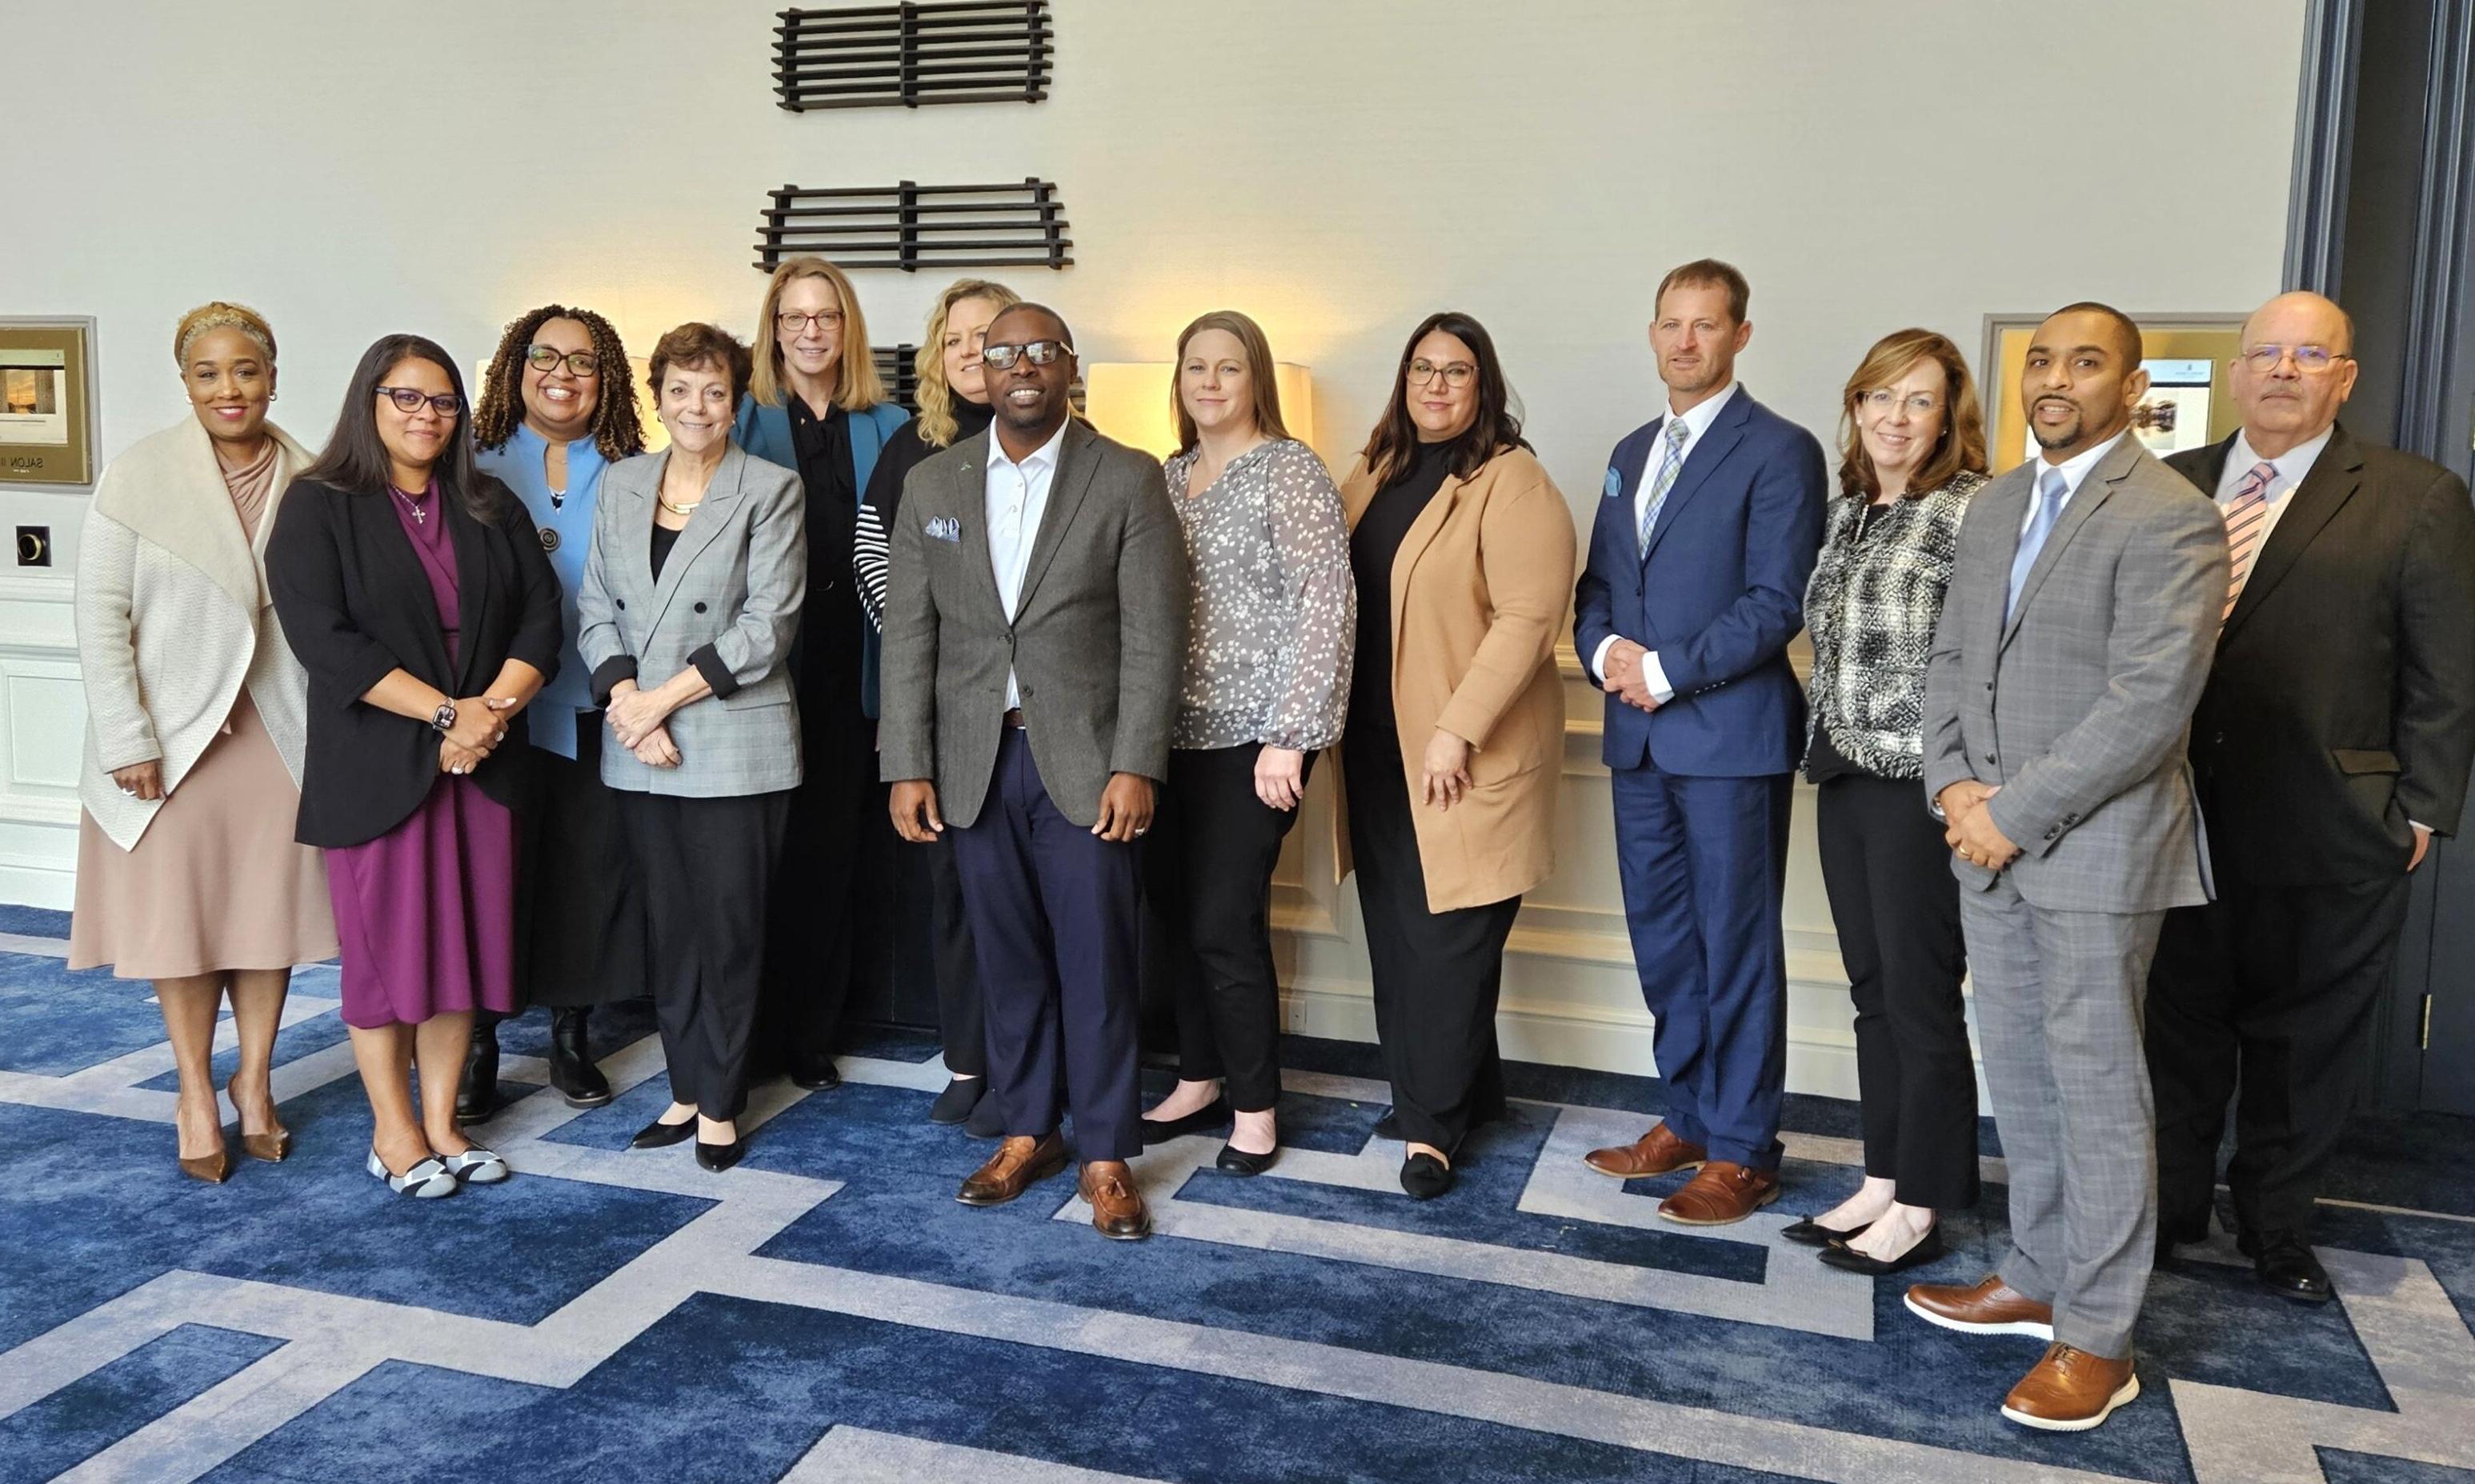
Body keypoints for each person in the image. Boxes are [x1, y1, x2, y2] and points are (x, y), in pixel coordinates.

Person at [1908, 302, 2226, 1432]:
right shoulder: (1995, 503)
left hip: (2091, 844)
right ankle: (2035, 1271)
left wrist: (2016, 811)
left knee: (2095, 1086)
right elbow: (1948, 657)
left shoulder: (2170, 516)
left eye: (2084, 362)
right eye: (2041, 360)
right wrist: (1952, 787)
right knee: (2023, 1071)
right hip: (1982, 837)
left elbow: (2148, 704)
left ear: (2131, 385)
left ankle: (2099, 1335)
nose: (2056, 379)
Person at [2148, 290, 2475, 1303]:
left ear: (2346, 376)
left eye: (2311, 354)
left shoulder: (2414, 496)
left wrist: (2420, 811)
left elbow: (2446, 670)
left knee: (2304, 1044)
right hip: (2174, 817)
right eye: (2268, 354)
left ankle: (2275, 1230)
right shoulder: (2171, 487)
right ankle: (2166, 1213)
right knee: (2177, 1028)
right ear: (2239, 372)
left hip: (2334, 825)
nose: (2285, 370)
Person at [881, 302, 1187, 1240]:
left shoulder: (1127, 477)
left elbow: (1154, 637)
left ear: (1066, 366)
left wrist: (1138, 761)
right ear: (979, 367)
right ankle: (1028, 1130)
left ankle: (1103, 1152)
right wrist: (907, 761)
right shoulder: (934, 481)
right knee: (1006, 961)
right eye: (1000, 351)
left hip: (1089, 763)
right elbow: (909, 637)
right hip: (973, 759)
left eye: (1036, 351)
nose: (1017, 366)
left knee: (1096, 959)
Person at [267, 334, 564, 1199]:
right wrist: (445, 714)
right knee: (386, 961)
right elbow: (324, 640)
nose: (426, 416)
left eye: (442, 402)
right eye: (406, 397)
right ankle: (393, 1133)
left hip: (483, 762)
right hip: (379, 766)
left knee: (459, 955)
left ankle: (442, 1121)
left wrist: (486, 717)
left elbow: (542, 620)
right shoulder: (318, 505)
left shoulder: (487, 503)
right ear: (370, 402)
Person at [1572, 260, 1828, 1225]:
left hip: (1728, 739)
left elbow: (1775, 601)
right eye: (1671, 324)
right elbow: (1596, 588)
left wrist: (1665, 668)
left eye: (1706, 325)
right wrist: (1604, 656)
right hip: (1636, 740)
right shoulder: (1631, 452)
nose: (1686, 341)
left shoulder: (1781, 449)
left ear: (1741, 336)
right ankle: (1684, 1114)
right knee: (1667, 943)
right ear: (1653, 334)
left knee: (1736, 947)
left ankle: (1744, 1148)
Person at [70, 301, 337, 1182]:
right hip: (174, 738)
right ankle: (193, 1088)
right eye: (209, 373)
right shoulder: (137, 476)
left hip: (281, 729)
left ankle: (254, 1082)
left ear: (273, 376)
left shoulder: (318, 476)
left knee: (266, 919)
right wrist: (126, 737)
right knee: (183, 926)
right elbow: (100, 618)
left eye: (247, 370)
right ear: (185, 382)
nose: (230, 389)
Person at [1337, 310, 1575, 1200]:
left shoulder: (1514, 482)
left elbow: (1527, 620)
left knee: (1450, 939)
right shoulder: (1373, 471)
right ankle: (1460, 1092)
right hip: (1373, 746)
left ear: (1485, 385)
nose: (1437, 386)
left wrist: (1457, 726)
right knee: (1402, 935)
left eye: (1457, 371)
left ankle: (1430, 1133)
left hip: (1461, 755)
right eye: (1423, 369)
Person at [579, 323, 806, 1174]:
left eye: (714, 391)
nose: (697, 406)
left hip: (733, 738)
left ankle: (721, 1100)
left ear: (737, 399)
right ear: (658, 396)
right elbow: (596, 601)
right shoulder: (623, 482)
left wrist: (660, 703)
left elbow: (768, 625)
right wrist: (627, 701)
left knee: (730, 929)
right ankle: (683, 1083)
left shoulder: (771, 488)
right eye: (680, 389)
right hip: (641, 735)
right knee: (670, 928)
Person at [1135, 310, 1355, 1175]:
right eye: (1196, 367)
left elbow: (1325, 604)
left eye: (1229, 367)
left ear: (1256, 378)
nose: (1211, 382)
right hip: (1165, 738)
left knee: (1226, 921)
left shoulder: (1291, 472)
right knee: (1178, 917)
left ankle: (1256, 1105)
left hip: (1255, 741)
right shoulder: (1166, 475)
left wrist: (1290, 739)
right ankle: (1197, 1077)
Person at [1792, 330, 1988, 1274]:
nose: (1895, 418)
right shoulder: (1849, 512)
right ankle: (1881, 1175)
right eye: (1880, 397)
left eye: (1918, 400)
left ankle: (1924, 1201)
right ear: (1856, 406)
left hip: (1920, 785)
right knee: (1872, 993)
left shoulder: (1972, 513)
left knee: (1920, 997)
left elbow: (1983, 660)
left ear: (1949, 414)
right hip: (1840, 773)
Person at [461, 304, 651, 1117]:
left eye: (583, 361)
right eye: (546, 356)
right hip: (494, 706)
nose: (563, 374)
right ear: (515, 366)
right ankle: (477, 1045)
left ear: (606, 379)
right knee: (490, 879)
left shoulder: (636, 470)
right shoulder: (468, 463)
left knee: (586, 877)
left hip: (596, 705)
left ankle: (573, 1036)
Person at [735, 256, 912, 1094]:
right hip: (765, 670)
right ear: (773, 330)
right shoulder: (739, 419)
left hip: (858, 666)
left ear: (848, 330)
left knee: (833, 854)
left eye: (826, 316)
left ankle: (811, 1034)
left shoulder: (891, 423)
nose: (811, 330)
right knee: (761, 856)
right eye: (794, 316)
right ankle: (749, 1030)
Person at [857, 277, 1021, 1135]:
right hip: (937, 705)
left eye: (986, 335)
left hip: (1031, 714)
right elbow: (869, 558)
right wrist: (941, 650)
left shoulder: (1050, 441)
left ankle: (1029, 1064)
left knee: (1024, 897)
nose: (969, 350)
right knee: (955, 892)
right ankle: (967, 1060)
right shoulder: (911, 447)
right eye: (953, 337)